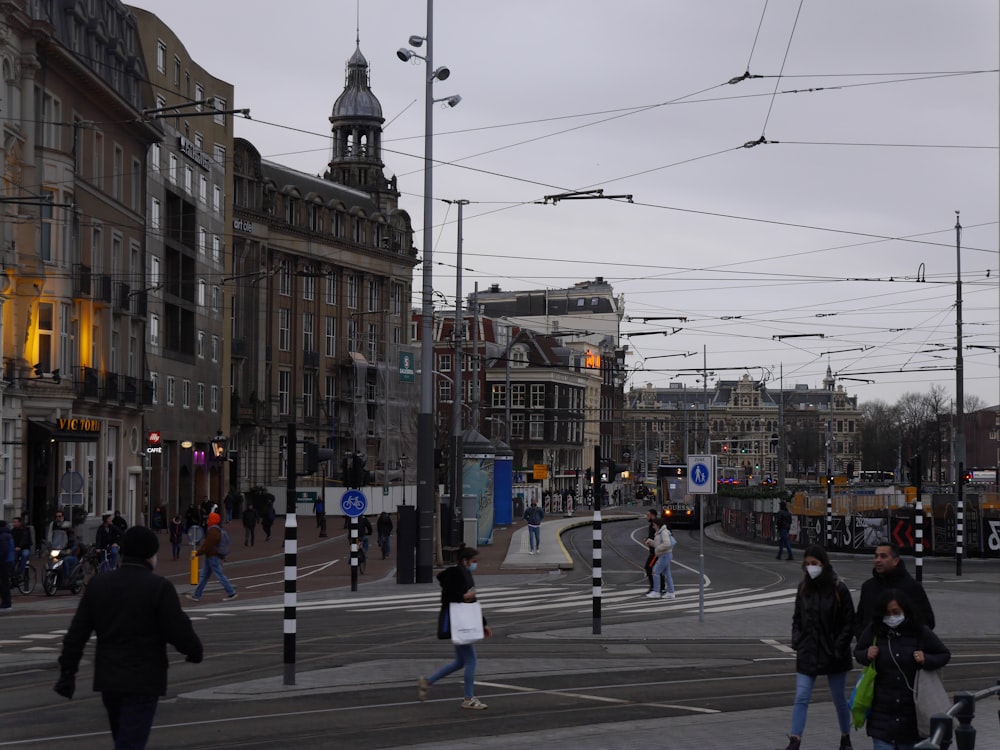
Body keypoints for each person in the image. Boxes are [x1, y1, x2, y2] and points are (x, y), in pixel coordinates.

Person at [54, 526, 203, 749]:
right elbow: (178, 628)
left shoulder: (99, 585)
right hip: (144, 680)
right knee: (131, 742)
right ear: (150, 555)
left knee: (123, 737)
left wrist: (68, 673)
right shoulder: (158, 588)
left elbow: (77, 634)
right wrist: (194, 650)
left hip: (109, 679)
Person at [779, 544, 855, 750]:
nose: (811, 567)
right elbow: (797, 618)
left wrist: (839, 647)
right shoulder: (803, 587)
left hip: (833, 652)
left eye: (815, 564)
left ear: (824, 564)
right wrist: (797, 640)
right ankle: (795, 740)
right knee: (802, 696)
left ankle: (845, 737)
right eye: (808, 564)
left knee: (839, 698)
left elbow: (850, 622)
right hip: (809, 651)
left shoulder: (839, 588)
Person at [854, 589, 951, 750]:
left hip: (911, 720)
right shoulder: (875, 630)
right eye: (887, 613)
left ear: (905, 610)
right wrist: (867, 654)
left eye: (896, 612)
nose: (891, 617)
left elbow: (944, 654)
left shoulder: (919, 631)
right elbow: (858, 652)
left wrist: (926, 659)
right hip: (882, 718)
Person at [417, 547, 492, 709]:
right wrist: (463, 597)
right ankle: (468, 698)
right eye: (474, 561)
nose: (475, 565)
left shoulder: (464, 573)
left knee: (460, 661)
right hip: (458, 622)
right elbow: (449, 597)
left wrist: (483, 623)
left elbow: (472, 602)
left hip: (460, 622)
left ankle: (428, 682)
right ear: (465, 560)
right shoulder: (457, 574)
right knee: (471, 660)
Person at [854, 543, 935, 638]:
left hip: (903, 647)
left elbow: (927, 621)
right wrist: (863, 638)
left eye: (883, 556)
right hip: (872, 648)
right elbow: (859, 618)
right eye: (876, 556)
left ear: (895, 561)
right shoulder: (868, 587)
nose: (877, 560)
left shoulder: (912, 587)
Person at [186, 512, 237, 602]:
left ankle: (231, 592)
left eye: (209, 518)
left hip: (212, 556)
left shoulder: (213, 531)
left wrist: (197, 553)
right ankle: (197, 595)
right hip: (211, 556)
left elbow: (207, 545)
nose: (207, 520)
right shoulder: (216, 530)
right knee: (205, 576)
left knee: (218, 575)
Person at [645, 517, 675, 599]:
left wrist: (657, 549)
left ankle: (656, 591)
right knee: (667, 574)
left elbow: (667, 544)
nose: (653, 527)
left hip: (665, 555)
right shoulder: (659, 532)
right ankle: (671, 592)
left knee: (655, 571)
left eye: (654, 525)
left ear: (658, 525)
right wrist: (650, 542)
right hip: (665, 554)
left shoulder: (663, 532)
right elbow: (659, 544)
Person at [643, 508, 665, 593]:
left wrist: (649, 540)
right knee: (658, 569)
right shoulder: (654, 524)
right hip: (655, 552)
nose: (646, 517)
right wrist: (648, 538)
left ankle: (654, 587)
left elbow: (656, 538)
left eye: (648, 515)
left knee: (649, 567)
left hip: (655, 553)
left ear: (652, 515)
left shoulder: (655, 524)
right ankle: (660, 587)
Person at [0, 520, 13, 612]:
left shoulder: (3, 536)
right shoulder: (6, 534)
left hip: (3, 562)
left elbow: (3, 551)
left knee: (3, 583)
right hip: (7, 561)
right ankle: (6, 602)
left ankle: (6, 603)